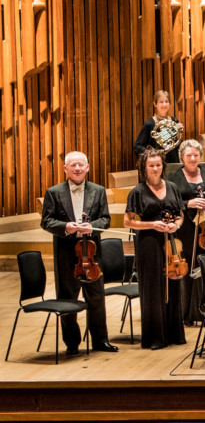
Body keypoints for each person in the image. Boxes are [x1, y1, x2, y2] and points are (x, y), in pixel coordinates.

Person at [39, 152, 117, 355]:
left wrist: (91, 227)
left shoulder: (98, 191)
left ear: (88, 167)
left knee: (96, 299)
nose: (77, 168)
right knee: (67, 298)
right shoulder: (53, 192)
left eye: (81, 165)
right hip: (67, 254)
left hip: (92, 254)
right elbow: (46, 221)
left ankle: (100, 341)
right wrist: (66, 226)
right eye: (73, 165)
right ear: (65, 168)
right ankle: (72, 343)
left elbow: (105, 220)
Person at [123, 149, 186, 350]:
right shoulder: (137, 192)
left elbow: (180, 215)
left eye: (158, 165)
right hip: (148, 243)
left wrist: (176, 225)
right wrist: (152, 225)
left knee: (173, 284)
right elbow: (128, 222)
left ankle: (174, 334)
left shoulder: (173, 187)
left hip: (171, 241)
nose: (155, 169)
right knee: (152, 288)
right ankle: (155, 336)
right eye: (151, 166)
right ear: (144, 168)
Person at [165, 139, 205, 323]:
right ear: (182, 157)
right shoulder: (174, 178)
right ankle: (185, 314)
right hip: (186, 228)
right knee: (187, 268)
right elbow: (168, 202)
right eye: (188, 155)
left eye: (196, 155)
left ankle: (203, 311)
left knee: (204, 269)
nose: (192, 158)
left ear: (200, 156)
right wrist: (188, 203)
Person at [133, 90, 183, 163]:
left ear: (169, 104)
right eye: (161, 102)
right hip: (156, 164)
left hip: (173, 162)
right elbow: (137, 146)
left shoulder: (175, 122)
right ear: (155, 104)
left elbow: (178, 145)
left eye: (166, 101)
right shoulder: (149, 124)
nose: (164, 104)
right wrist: (151, 155)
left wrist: (179, 133)